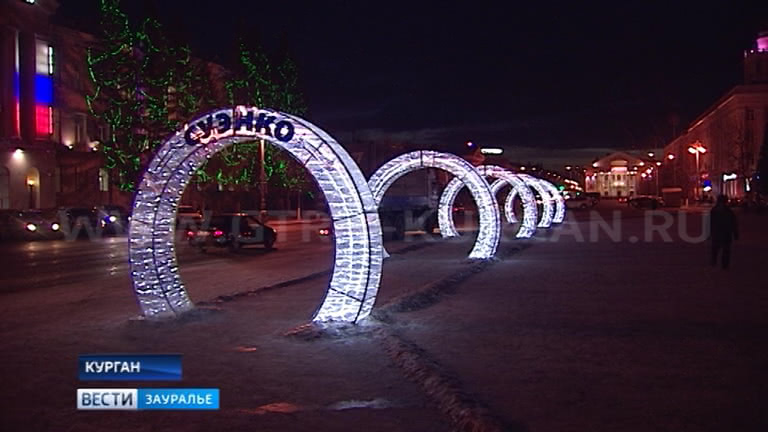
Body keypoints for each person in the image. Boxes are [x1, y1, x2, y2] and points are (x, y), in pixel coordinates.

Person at [709, 195, 739, 269]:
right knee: (725, 250)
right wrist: (735, 233)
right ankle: (724, 264)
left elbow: (710, 223)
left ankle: (715, 261)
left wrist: (709, 233)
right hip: (726, 233)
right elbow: (733, 223)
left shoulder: (714, 210)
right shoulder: (728, 211)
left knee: (716, 249)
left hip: (718, 233)